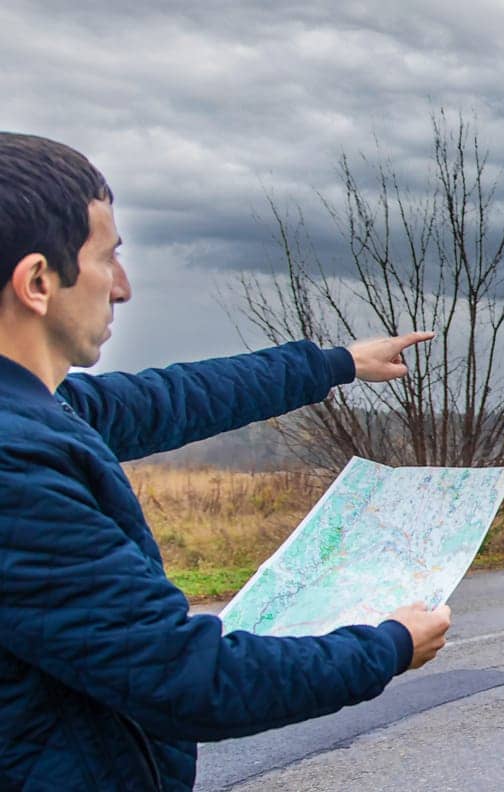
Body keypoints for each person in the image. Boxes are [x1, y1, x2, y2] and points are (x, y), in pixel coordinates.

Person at [0, 132, 454, 791]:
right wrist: (385, 647)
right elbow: (187, 680)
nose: (122, 288)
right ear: (39, 281)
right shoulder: (15, 470)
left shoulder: (42, 409)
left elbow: (176, 398)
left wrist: (336, 363)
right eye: (108, 259)